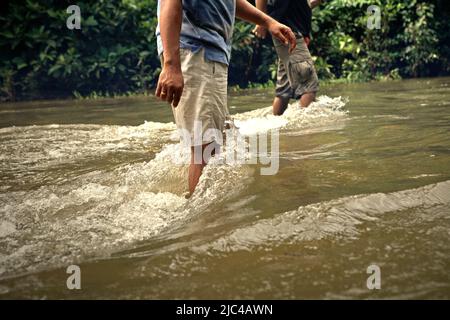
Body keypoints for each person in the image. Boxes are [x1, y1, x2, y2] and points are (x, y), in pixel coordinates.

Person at [155, 0, 296, 195]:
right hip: (195, 50)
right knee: (207, 148)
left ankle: (218, 213)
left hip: (209, 54)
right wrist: (171, 64)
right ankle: (203, 223)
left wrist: (268, 22)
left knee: (228, 141)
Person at [253, 0, 322, 115]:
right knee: (309, 86)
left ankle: (277, 128)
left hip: (292, 30)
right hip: (288, 31)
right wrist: (260, 22)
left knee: (284, 91)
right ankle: (305, 132)